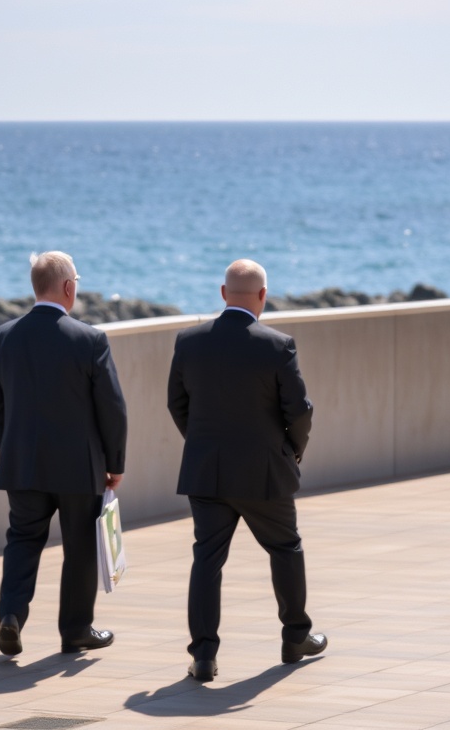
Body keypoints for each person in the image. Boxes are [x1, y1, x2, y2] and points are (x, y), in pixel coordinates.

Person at [167, 258, 326, 682]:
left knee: (207, 559)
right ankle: (296, 637)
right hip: (264, 473)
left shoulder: (189, 341)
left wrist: (200, 444)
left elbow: (176, 404)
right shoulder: (278, 345)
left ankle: (203, 655)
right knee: (285, 548)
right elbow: (300, 411)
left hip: (207, 472)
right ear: (263, 297)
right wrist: (292, 449)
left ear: (223, 295)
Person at [0, 251, 128, 657]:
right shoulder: (90, 338)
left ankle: (11, 615)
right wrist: (114, 462)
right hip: (78, 467)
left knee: (23, 540)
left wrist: (11, 450)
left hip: (22, 464)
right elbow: (112, 408)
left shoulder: (2, 337)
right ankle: (76, 630)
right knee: (80, 547)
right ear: (68, 287)